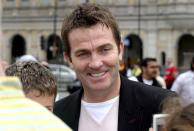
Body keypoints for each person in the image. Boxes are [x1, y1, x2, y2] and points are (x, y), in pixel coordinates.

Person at [54, 3, 174, 131]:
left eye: (104, 50)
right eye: (83, 53)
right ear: (69, 59)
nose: (96, 63)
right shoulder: (56, 116)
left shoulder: (165, 106)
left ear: (120, 50)